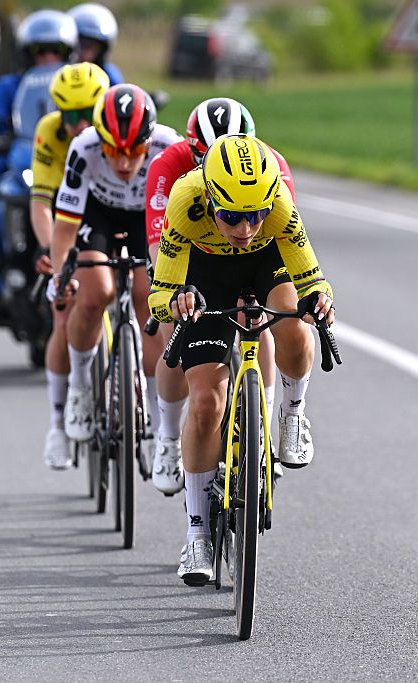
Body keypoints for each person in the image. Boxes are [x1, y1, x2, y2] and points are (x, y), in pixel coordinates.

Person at [147, 134, 334, 586]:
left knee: (296, 326)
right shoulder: (185, 200)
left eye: (256, 215)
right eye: (232, 216)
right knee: (207, 402)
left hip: (263, 266)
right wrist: (175, 304)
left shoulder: (280, 206)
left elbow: (311, 276)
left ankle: (292, 415)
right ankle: (197, 534)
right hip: (204, 272)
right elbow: (159, 296)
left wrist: (320, 300)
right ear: (210, 200)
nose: (245, 227)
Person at [143, 98, 296, 496]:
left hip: (254, 254)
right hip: (194, 253)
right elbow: (160, 242)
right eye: (202, 154)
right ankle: (167, 438)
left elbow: (286, 239)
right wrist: (170, 294)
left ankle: (262, 428)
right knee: (174, 336)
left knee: (263, 318)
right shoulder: (173, 170)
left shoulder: (272, 167)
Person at [50, 84, 182, 452]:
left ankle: (160, 425)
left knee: (149, 302)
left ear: (149, 141)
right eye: (113, 151)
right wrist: (61, 277)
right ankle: (79, 385)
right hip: (99, 216)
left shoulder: (168, 146)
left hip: (147, 218)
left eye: (134, 151)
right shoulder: (83, 148)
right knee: (95, 294)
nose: (124, 164)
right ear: (99, 141)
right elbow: (64, 228)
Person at [29, 62, 111, 469]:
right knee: (64, 312)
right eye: (70, 115)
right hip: (68, 224)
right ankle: (58, 423)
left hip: (114, 218)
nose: (79, 125)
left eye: (88, 114)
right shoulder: (49, 132)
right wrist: (51, 252)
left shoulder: (117, 127)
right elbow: (42, 202)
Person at [0, 9, 78, 324]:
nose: (48, 57)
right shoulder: (9, 86)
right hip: (23, 159)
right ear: (27, 54)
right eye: (40, 51)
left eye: (57, 50)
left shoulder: (82, 82)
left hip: (66, 164)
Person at [68, 3, 125, 85]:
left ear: (101, 49)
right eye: (80, 44)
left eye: (90, 46)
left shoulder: (109, 76)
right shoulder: (58, 72)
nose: (84, 51)